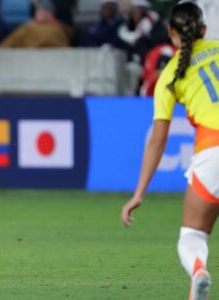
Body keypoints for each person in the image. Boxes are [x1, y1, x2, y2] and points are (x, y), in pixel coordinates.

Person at [122, 2, 219, 299]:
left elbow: (157, 140)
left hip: (213, 149)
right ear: (203, 29)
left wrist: (139, 193)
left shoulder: (170, 75)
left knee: (192, 235)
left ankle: (199, 271)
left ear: (171, 33)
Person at [0, 0, 72, 48]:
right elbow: (10, 42)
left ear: (51, 14)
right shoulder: (28, 27)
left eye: (46, 11)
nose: (43, 14)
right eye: (40, 11)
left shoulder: (59, 28)